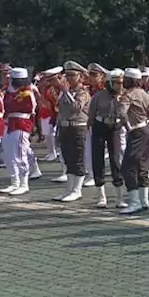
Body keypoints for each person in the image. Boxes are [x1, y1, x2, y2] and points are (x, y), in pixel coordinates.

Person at [115, 68, 149, 215]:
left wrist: (124, 124)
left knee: (127, 167)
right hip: (146, 129)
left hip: (136, 132)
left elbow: (122, 114)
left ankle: (135, 202)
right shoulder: (143, 93)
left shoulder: (127, 96)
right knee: (142, 165)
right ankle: (144, 201)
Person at [54, 62, 92, 202]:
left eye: (72, 75)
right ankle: (69, 189)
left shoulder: (83, 92)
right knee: (68, 159)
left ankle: (77, 190)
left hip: (78, 127)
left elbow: (76, 107)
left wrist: (66, 92)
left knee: (78, 158)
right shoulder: (66, 92)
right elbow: (61, 111)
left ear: (80, 77)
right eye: (67, 75)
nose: (68, 78)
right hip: (66, 127)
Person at [87, 69, 124, 208]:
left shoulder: (123, 96)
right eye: (116, 83)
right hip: (99, 126)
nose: (120, 86)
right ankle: (101, 196)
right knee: (98, 159)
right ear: (109, 83)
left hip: (115, 127)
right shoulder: (98, 96)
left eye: (121, 83)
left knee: (115, 160)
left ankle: (119, 197)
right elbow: (91, 114)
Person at [0, 68, 37, 196]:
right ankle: (14, 182)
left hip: (21, 124)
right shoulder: (10, 92)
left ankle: (24, 183)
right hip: (9, 124)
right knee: (9, 155)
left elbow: (28, 108)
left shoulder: (27, 92)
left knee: (20, 155)